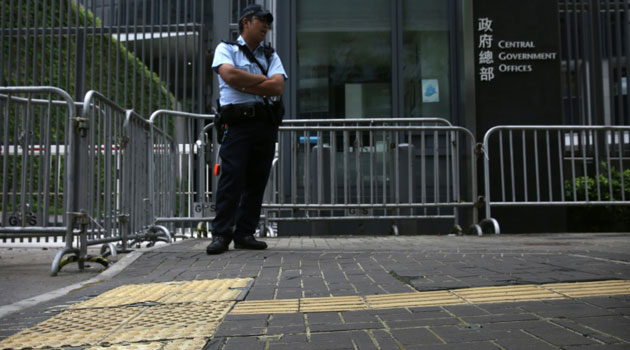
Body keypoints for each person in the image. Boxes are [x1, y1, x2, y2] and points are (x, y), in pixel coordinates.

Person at [207, 4, 287, 254]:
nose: (266, 26)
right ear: (245, 22)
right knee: (232, 178)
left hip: (264, 124)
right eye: (261, 20)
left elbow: (277, 88)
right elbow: (229, 75)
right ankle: (222, 234)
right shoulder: (226, 49)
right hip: (238, 124)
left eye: (268, 22)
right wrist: (260, 82)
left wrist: (245, 83)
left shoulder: (271, 55)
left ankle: (245, 233)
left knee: (257, 180)